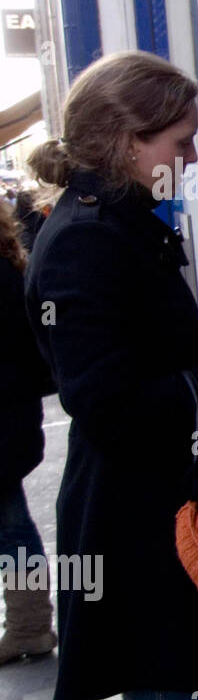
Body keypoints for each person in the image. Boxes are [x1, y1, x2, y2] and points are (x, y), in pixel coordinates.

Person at [24, 50, 198, 700]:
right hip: (135, 530)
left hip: (153, 515)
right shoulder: (85, 239)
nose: (193, 158)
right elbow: (108, 405)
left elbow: (129, 355)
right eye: (180, 141)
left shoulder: (114, 224)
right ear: (129, 139)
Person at [0, 197, 57, 664]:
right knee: (11, 523)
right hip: (12, 423)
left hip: (4, 425)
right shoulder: (7, 267)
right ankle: (28, 623)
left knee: (11, 527)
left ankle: (30, 625)